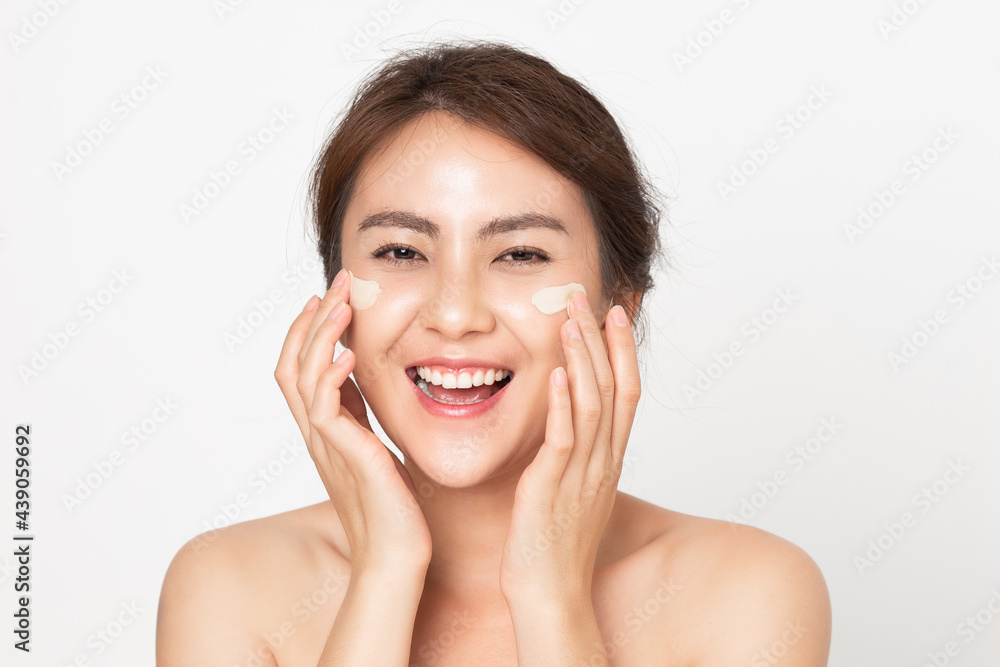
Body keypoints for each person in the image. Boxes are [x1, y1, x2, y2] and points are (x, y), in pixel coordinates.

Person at [156, 39, 831, 665]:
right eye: (400, 251)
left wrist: (551, 597)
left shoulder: (746, 593)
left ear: (618, 306)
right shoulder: (229, 584)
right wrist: (384, 571)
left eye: (519, 253)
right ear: (336, 298)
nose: (454, 314)